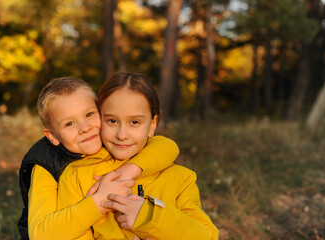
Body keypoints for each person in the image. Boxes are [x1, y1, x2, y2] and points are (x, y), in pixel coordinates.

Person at [57, 72, 219, 240]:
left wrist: (148, 216)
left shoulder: (181, 179)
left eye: (134, 122)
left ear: (152, 124)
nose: (122, 135)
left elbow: (208, 236)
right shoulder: (78, 175)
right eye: (112, 121)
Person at [18, 77, 179, 239]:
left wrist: (129, 170)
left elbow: (166, 146)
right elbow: (40, 234)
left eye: (89, 114)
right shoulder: (46, 165)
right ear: (52, 136)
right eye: (69, 124)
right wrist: (98, 201)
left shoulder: (110, 140)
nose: (85, 128)